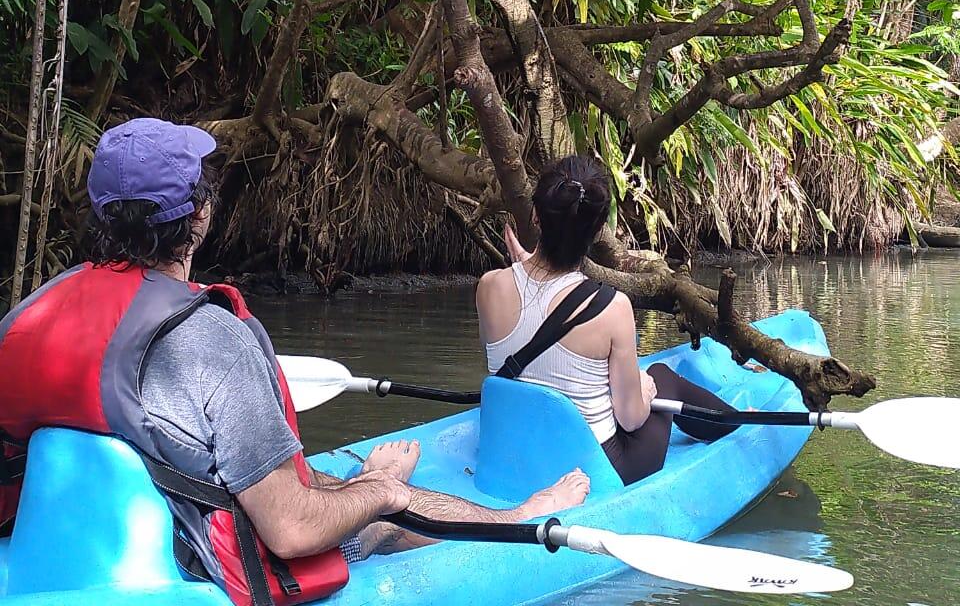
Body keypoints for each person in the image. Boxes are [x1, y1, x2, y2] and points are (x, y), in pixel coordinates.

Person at [0, 119, 588, 606]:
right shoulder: (211, 338)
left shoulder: (31, 315)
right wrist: (381, 492)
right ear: (199, 217)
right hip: (190, 565)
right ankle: (517, 518)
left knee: (324, 482)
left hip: (62, 547)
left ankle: (369, 487)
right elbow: (291, 530)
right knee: (376, 513)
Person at [476, 155, 740, 486]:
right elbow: (631, 420)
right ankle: (737, 424)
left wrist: (528, 268)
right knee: (660, 375)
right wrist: (646, 389)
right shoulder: (613, 307)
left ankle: (731, 420)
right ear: (599, 229)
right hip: (593, 471)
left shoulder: (488, 287)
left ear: (535, 215)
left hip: (515, 457)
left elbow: (530, 322)